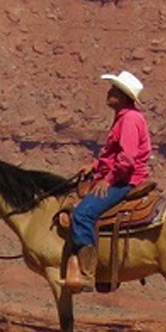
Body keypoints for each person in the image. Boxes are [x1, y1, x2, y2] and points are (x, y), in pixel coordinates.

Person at [62, 69, 151, 291]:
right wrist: (94, 167)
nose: (108, 92)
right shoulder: (124, 117)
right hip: (118, 175)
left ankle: (88, 274)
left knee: (83, 214)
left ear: (122, 96)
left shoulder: (129, 119)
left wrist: (108, 180)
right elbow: (113, 155)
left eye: (113, 89)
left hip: (124, 179)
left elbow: (127, 159)